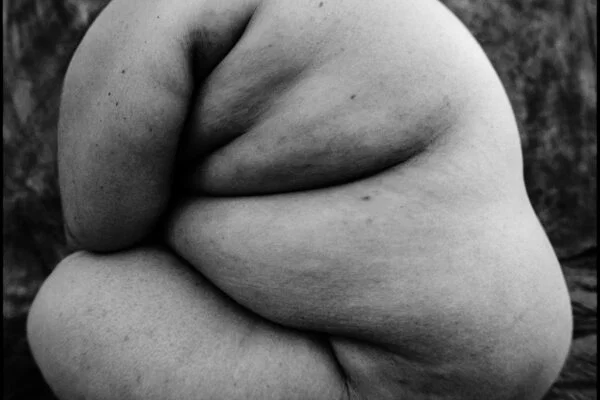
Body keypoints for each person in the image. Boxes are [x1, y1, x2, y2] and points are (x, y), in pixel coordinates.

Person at [26, 0, 573, 399]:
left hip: (390, 364)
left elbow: (101, 222)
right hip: (527, 331)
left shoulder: (153, 13)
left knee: (74, 302)